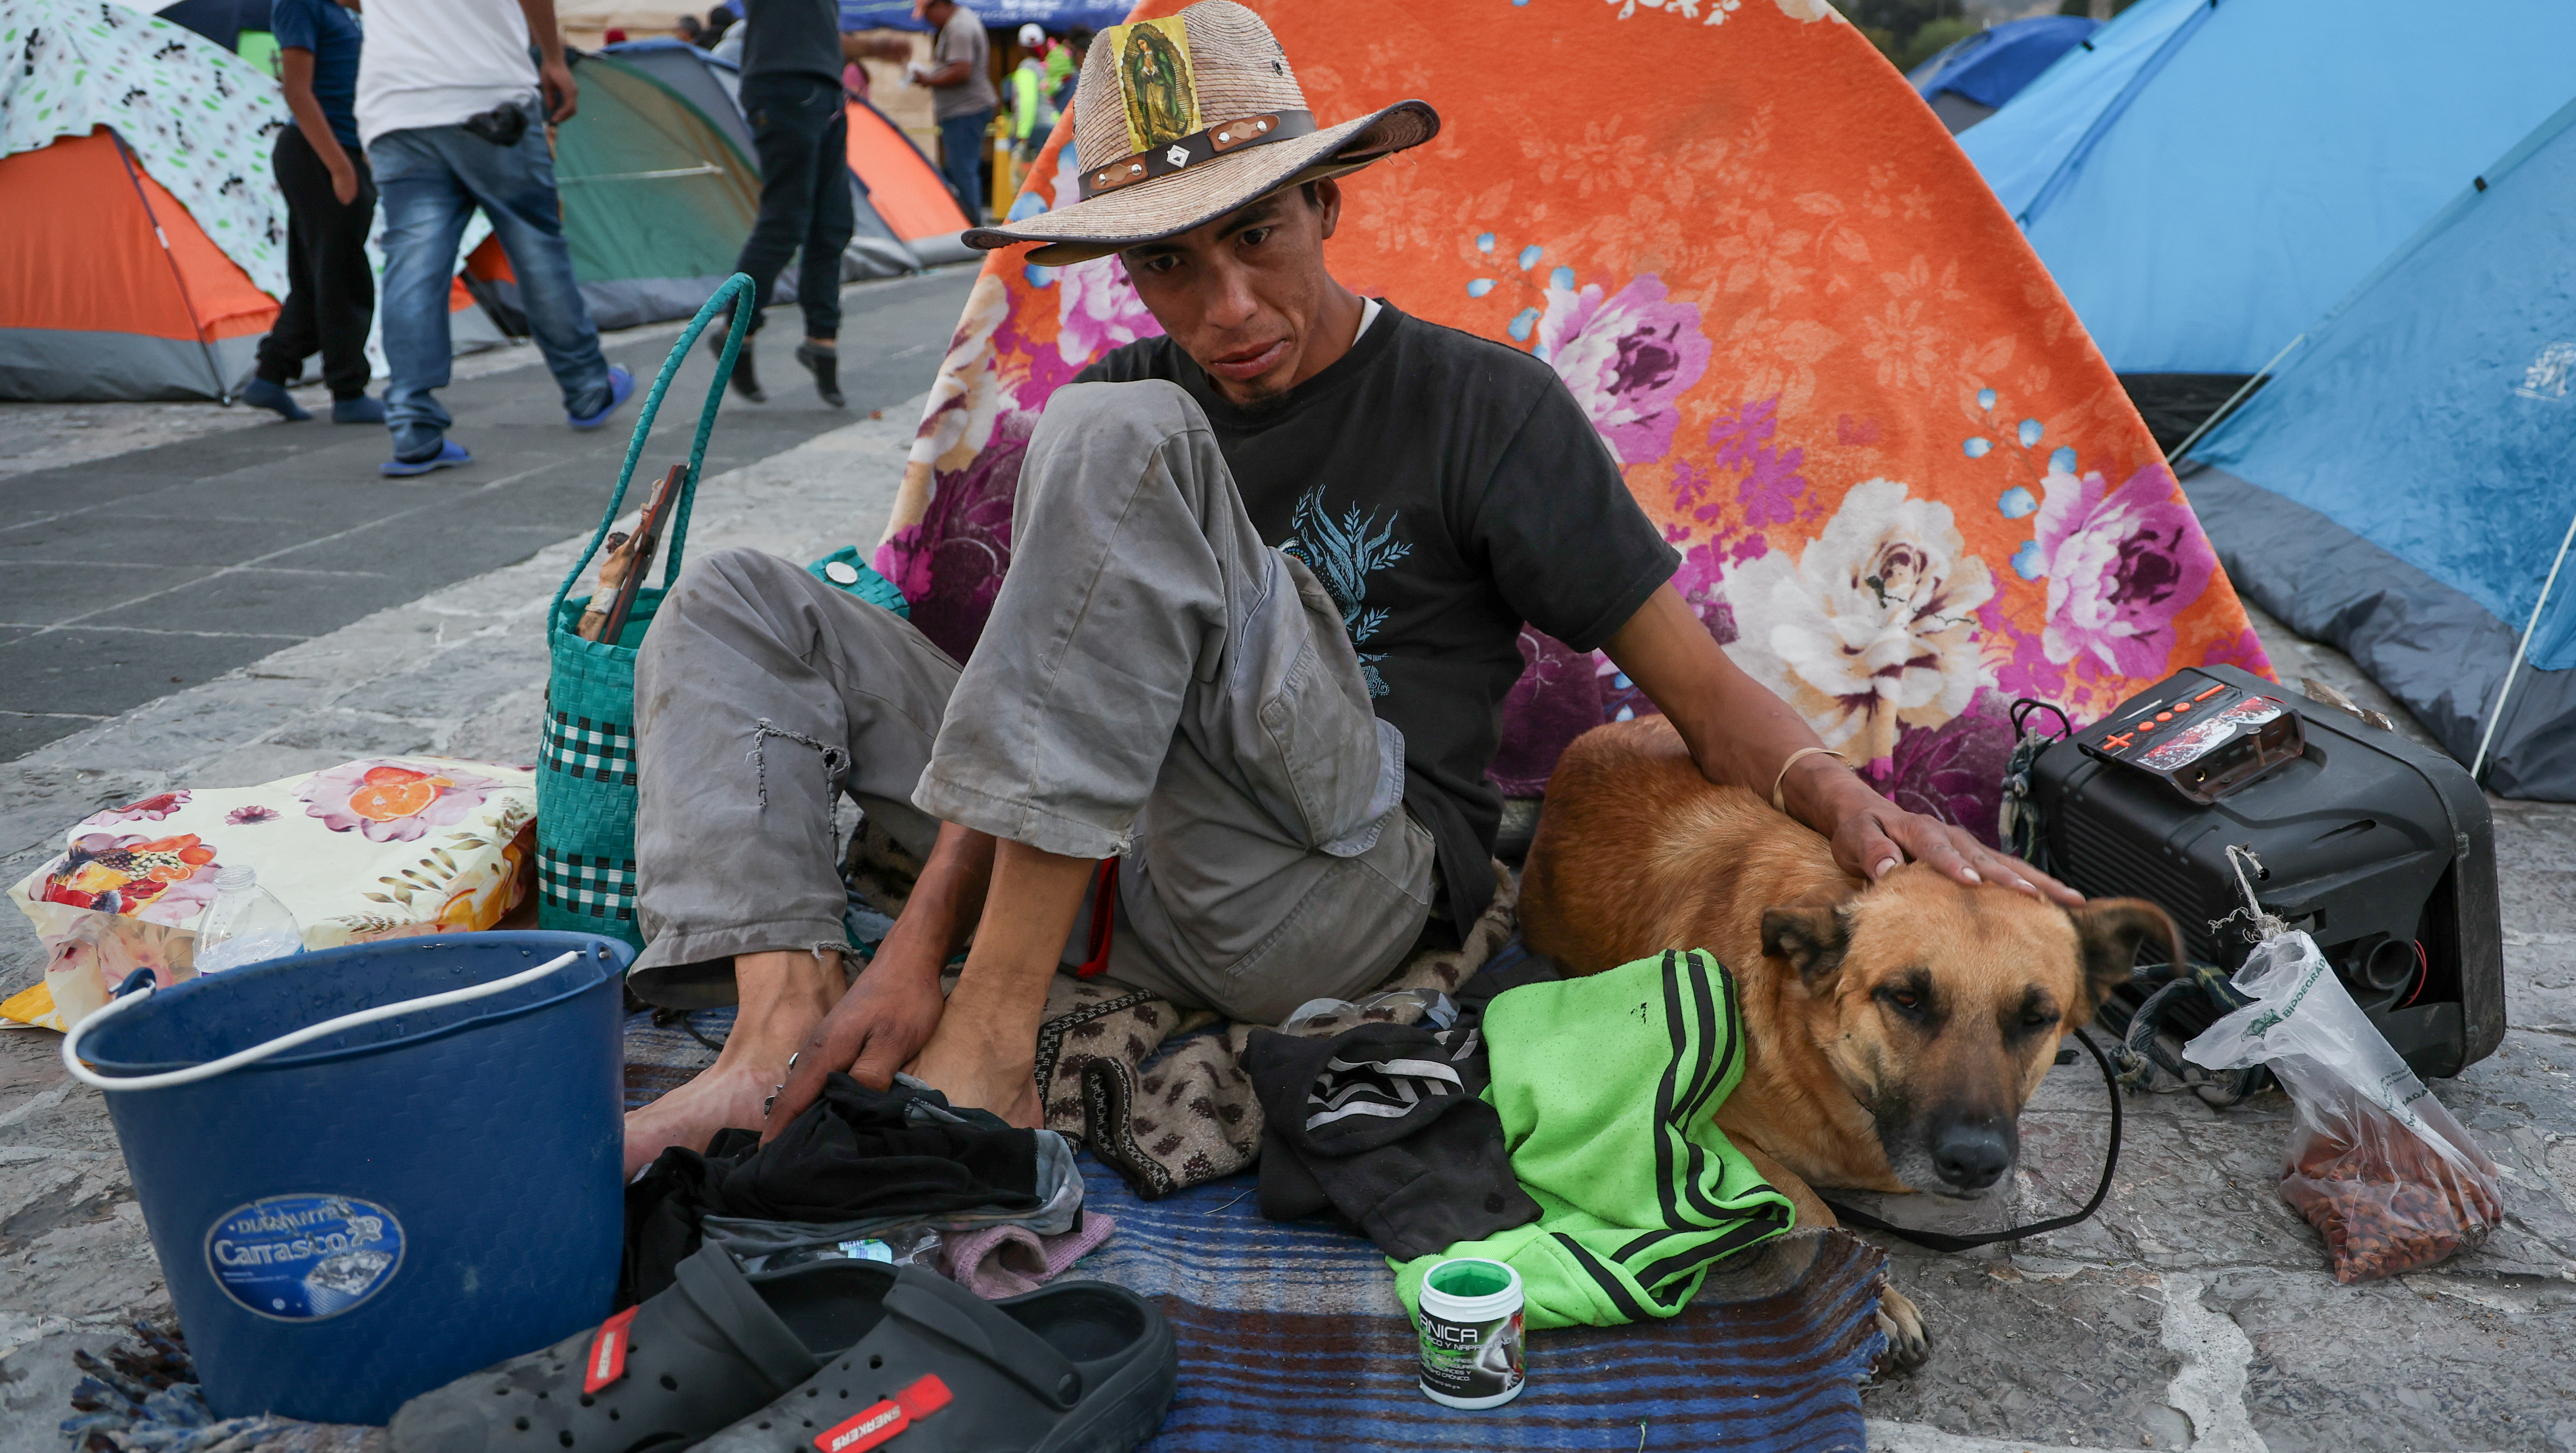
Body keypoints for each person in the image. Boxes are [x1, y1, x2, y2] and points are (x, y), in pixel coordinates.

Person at [616, 0, 2076, 1172]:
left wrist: (1846, 801)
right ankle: (773, 1031)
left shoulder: (1480, 405)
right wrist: (912, 946)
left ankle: (990, 1048)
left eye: (1255, 236)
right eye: (1169, 265)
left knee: (1119, 435)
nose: (1225, 306)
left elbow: (1692, 690)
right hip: (1113, 859)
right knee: (739, 597)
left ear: (1324, 203)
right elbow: (1029, 700)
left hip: (1324, 876)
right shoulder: (1126, 391)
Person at [357, 0, 632, 476]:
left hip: (396, 105)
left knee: (413, 264)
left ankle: (412, 424)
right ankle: (587, 387)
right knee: (534, 245)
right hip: (486, 92)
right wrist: (553, 58)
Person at [710, 0, 858, 408]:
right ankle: (737, 332)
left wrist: (870, 47)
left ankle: (821, 340)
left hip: (826, 87)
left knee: (833, 222)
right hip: (784, 86)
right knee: (785, 222)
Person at [242, 0, 383, 426]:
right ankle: (349, 391)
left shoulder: (346, 12)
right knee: (344, 276)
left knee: (314, 276)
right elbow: (297, 91)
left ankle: (271, 375)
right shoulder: (301, 5)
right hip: (318, 155)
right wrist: (340, 167)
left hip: (346, 153)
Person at [907, 0, 995, 223]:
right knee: (962, 169)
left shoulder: (959, 28)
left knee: (962, 171)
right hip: (965, 109)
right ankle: (969, 222)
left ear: (939, 5)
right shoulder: (961, 22)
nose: (928, 21)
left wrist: (927, 79)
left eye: (927, 14)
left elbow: (961, 70)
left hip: (965, 109)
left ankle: (971, 226)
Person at [1003, 22, 1055, 188]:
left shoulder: (1026, 68)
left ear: (1021, 47)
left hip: (1036, 130)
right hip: (1053, 126)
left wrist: (1023, 133)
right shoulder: (1047, 68)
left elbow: (1027, 102)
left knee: (1032, 182)